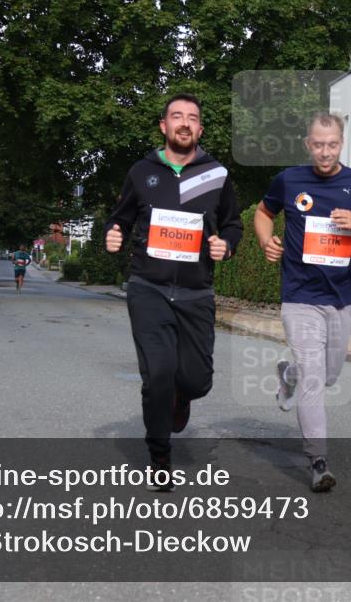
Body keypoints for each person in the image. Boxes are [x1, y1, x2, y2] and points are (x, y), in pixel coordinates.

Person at [105, 93, 242, 491]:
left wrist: (227, 245)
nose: (184, 123)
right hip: (148, 288)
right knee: (158, 374)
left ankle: (181, 397)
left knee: (197, 381)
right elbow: (120, 219)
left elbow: (232, 225)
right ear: (164, 126)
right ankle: (159, 457)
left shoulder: (216, 174)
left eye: (193, 118)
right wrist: (112, 235)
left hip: (197, 293)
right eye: (176, 116)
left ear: (200, 129)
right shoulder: (141, 171)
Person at [254, 112, 351, 492]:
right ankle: (318, 461)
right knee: (316, 377)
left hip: (341, 297)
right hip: (299, 296)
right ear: (307, 144)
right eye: (318, 144)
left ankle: (288, 374)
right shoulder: (289, 180)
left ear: (342, 144)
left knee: (328, 374)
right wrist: (267, 241)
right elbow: (263, 212)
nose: (325, 152)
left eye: (332, 145)